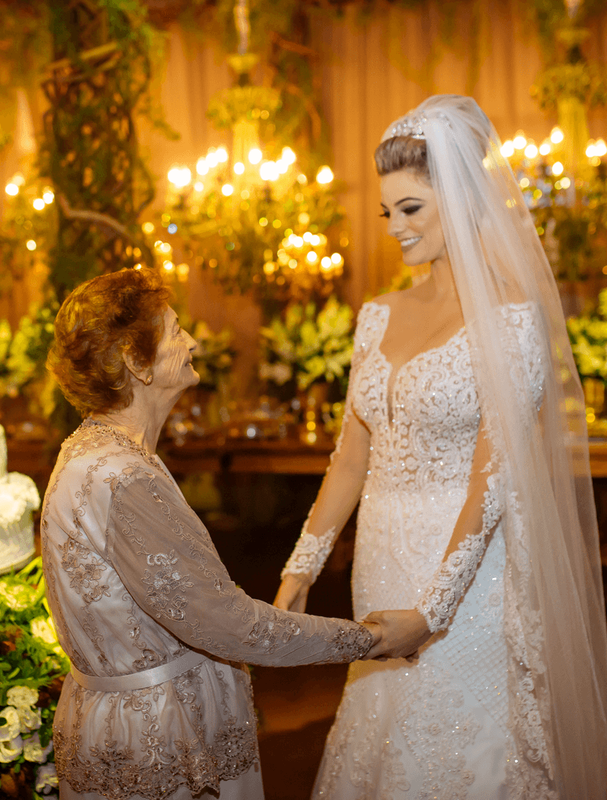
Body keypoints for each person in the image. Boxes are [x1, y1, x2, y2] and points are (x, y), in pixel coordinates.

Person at [275, 95, 607, 799]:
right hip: (380, 555)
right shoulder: (374, 315)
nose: (396, 228)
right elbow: (352, 456)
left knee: (460, 746)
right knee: (379, 729)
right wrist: (302, 567)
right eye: (388, 213)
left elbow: (493, 477)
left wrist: (432, 612)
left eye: (412, 208)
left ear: (463, 197)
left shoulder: (510, 322)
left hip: (466, 572)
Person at [41, 268, 419, 800]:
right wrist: (372, 640)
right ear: (134, 360)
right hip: (162, 737)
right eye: (175, 331)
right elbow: (235, 626)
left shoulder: (93, 451)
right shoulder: (125, 478)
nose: (192, 342)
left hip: (128, 719)